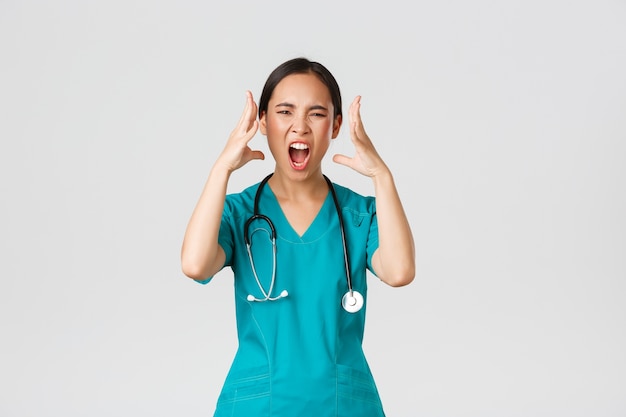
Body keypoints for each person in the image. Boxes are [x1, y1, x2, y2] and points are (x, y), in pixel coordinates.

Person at [181, 57, 415, 417]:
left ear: (336, 126)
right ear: (262, 121)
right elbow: (195, 265)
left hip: (343, 406)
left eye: (317, 114)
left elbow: (399, 272)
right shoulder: (239, 213)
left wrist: (382, 176)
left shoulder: (359, 214)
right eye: (285, 112)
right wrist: (221, 169)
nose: (299, 127)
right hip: (258, 406)